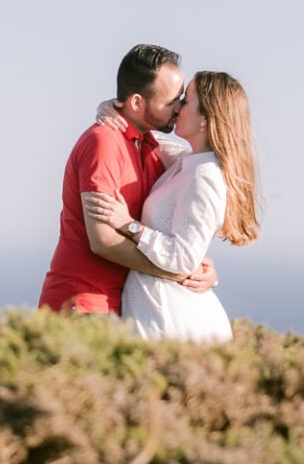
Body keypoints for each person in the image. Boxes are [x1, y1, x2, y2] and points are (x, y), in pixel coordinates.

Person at [38, 44, 218, 316]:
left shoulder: (152, 148)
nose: (179, 108)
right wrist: (179, 273)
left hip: (120, 307)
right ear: (136, 103)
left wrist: (201, 267)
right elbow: (103, 240)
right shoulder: (104, 142)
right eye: (171, 101)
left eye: (182, 99)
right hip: (82, 304)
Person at [83, 71, 260, 341]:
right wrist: (113, 109)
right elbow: (144, 135)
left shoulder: (204, 176)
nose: (176, 108)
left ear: (205, 119)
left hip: (170, 319)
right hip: (158, 309)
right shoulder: (188, 162)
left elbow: (184, 258)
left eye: (185, 101)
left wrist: (129, 226)